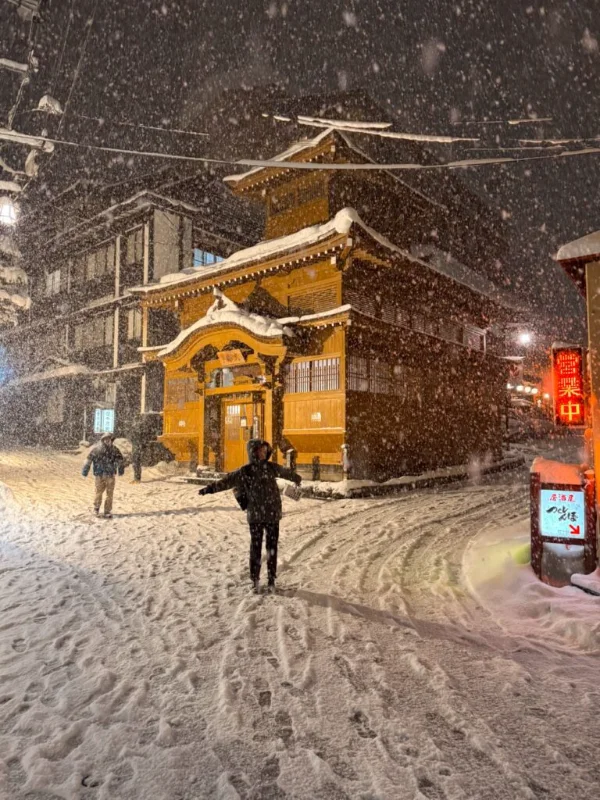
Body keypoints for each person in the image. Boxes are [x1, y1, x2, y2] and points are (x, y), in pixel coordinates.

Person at [198, 438, 302, 593]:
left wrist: (296, 478)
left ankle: (271, 580)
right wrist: (209, 489)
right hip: (256, 516)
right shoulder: (245, 471)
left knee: (271, 548)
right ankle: (255, 580)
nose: (263, 452)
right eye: (260, 450)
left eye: (264, 450)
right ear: (253, 452)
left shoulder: (270, 467)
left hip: (272, 514)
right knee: (256, 548)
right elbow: (226, 482)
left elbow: (285, 473)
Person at [82, 432, 125, 518]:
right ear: (102, 440)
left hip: (110, 474)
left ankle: (107, 510)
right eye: (105, 439)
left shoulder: (114, 450)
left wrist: (120, 467)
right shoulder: (97, 450)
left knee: (109, 494)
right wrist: (86, 468)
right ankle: (96, 508)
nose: (107, 441)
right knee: (99, 492)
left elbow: (120, 460)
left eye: (109, 439)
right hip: (100, 475)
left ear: (111, 440)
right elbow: (89, 460)